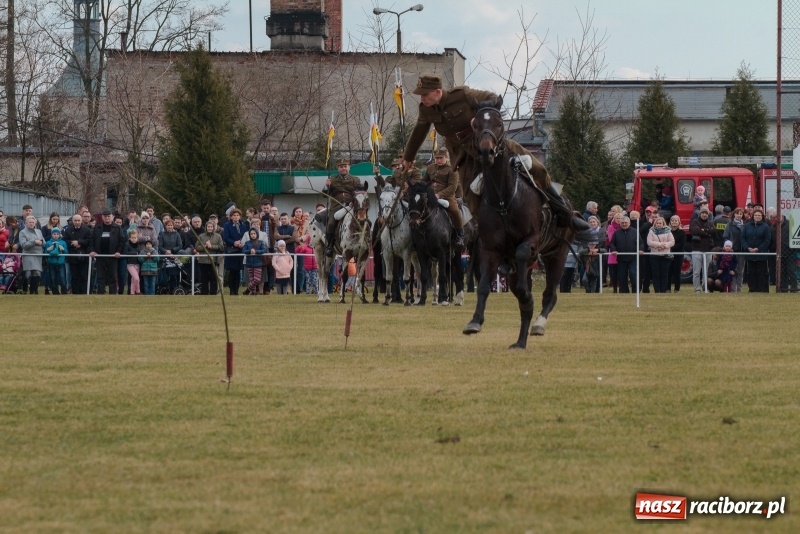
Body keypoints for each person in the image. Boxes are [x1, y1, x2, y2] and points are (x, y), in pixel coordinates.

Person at [401, 74, 589, 233]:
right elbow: (419, 131)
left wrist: (480, 115)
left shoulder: (462, 95)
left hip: (490, 144)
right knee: (470, 197)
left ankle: (566, 213)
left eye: (424, 94)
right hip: (464, 155)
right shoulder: (425, 109)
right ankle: (487, 235)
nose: (422, 98)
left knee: (537, 168)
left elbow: (492, 98)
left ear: (437, 92)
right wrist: (408, 158)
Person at [425, 147, 465, 246]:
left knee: (455, 211)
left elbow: (452, 187)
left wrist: (439, 195)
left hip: (447, 197)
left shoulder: (452, 170)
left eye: (441, 158)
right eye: (437, 158)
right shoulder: (430, 168)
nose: (438, 160)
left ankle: (460, 235)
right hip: (430, 195)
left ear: (446, 158)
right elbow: (424, 181)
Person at [323, 159, 363, 257]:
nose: (343, 168)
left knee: (363, 220)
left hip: (351, 206)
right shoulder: (332, 179)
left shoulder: (355, 180)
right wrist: (326, 186)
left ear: (349, 167)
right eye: (341, 167)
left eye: (345, 166)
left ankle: (364, 242)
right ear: (338, 168)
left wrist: (354, 201)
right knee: (331, 223)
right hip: (336, 206)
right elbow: (325, 195)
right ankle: (329, 246)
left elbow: (360, 193)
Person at [89, 209, 124, 295]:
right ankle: (100, 294)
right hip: (100, 256)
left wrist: (118, 251)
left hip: (113, 256)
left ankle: (112, 295)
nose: (107, 218)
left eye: (108, 216)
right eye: (105, 216)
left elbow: (122, 241)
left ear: (112, 217)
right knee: (100, 277)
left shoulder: (117, 228)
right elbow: (92, 241)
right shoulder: (97, 228)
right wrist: (92, 250)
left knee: (113, 277)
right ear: (102, 217)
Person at [740, 209, 771, 292]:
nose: (757, 217)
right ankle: (752, 289)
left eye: (759, 215)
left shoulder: (765, 227)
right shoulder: (747, 226)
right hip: (749, 254)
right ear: (753, 216)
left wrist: (758, 248)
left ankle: (761, 289)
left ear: (762, 217)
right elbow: (742, 238)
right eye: (756, 215)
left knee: (761, 272)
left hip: (761, 254)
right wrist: (747, 247)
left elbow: (767, 240)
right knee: (751, 272)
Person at [62, 213, 92, 294]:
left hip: (84, 257)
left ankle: (84, 292)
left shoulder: (87, 230)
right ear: (72, 221)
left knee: (83, 276)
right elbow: (64, 241)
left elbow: (89, 240)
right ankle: (75, 292)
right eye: (75, 220)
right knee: (74, 276)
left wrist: (79, 242)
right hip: (72, 257)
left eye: (78, 220)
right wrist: (73, 243)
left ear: (81, 220)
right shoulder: (68, 230)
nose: (77, 222)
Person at [690, 206, 716, 292]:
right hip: (697, 249)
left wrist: (703, 230)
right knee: (696, 271)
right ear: (700, 214)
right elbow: (695, 231)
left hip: (708, 250)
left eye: (706, 213)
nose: (704, 215)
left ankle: (705, 288)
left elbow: (714, 231)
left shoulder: (711, 223)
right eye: (703, 213)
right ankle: (696, 289)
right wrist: (707, 232)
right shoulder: (694, 222)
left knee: (706, 271)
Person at [609, 216, 638, 293]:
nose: (624, 224)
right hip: (621, 258)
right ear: (620, 223)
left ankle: (635, 291)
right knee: (622, 276)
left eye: (625, 223)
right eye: (622, 223)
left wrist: (640, 249)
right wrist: (613, 250)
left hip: (633, 258)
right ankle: (624, 291)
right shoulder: (616, 232)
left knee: (633, 274)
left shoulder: (635, 232)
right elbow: (612, 243)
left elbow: (640, 242)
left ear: (629, 223)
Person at [646, 216, 675, 293]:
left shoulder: (668, 231)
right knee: (656, 274)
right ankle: (657, 290)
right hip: (654, 255)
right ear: (655, 224)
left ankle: (663, 290)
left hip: (665, 255)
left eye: (660, 223)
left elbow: (672, 241)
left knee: (664, 274)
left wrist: (665, 245)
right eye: (657, 223)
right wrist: (659, 245)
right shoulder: (651, 231)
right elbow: (649, 242)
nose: (658, 224)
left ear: (663, 224)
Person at [194, 220, 224, 295]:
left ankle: (213, 293)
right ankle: (204, 293)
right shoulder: (201, 236)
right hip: (203, 261)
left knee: (213, 279)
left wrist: (211, 246)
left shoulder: (218, 236)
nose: (210, 228)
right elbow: (197, 247)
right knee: (204, 279)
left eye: (211, 227)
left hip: (213, 261)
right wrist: (205, 246)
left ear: (213, 227)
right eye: (208, 226)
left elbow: (221, 247)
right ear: (206, 227)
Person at [18, 215, 45, 294]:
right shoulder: (22, 232)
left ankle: (34, 291)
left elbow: (44, 242)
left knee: (37, 273)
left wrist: (41, 242)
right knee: (28, 274)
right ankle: (25, 290)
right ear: (26, 223)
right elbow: (24, 245)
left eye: (33, 222)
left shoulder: (39, 231)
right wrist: (34, 241)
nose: (31, 224)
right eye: (30, 222)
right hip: (28, 255)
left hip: (38, 255)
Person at [222, 208, 245, 295]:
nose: (236, 217)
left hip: (240, 250)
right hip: (231, 250)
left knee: (238, 271)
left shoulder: (243, 225)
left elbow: (245, 235)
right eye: (234, 215)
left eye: (237, 215)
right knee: (232, 271)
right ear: (231, 217)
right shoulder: (227, 225)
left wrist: (241, 242)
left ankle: (236, 290)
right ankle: (232, 291)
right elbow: (226, 237)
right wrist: (234, 242)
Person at [723, 208, 746, 292]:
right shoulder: (729, 225)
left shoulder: (745, 225)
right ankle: (733, 289)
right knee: (733, 270)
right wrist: (728, 246)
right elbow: (725, 236)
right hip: (733, 251)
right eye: (737, 213)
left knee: (740, 271)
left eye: (741, 214)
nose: (739, 215)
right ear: (734, 214)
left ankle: (739, 289)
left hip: (742, 251)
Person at [242, 227, 267, 295]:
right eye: (251, 234)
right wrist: (249, 251)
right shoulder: (247, 243)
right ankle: (253, 292)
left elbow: (264, 250)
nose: (253, 235)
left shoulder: (261, 242)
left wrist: (256, 251)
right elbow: (243, 250)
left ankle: (247, 290)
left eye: (254, 233)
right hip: (249, 263)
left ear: (257, 234)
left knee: (257, 279)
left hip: (258, 263)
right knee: (251, 279)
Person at [44, 226, 68, 295]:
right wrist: (49, 249)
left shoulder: (63, 242)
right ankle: (55, 292)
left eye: (57, 234)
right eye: (54, 234)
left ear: (59, 234)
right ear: (52, 234)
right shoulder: (48, 243)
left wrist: (63, 249)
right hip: (52, 263)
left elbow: (66, 252)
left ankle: (64, 291)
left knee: (62, 278)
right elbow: (45, 252)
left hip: (61, 263)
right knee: (53, 278)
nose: (56, 235)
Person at [668, 215, 687, 293]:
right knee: (668, 272)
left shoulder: (682, 232)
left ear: (679, 222)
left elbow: (682, 244)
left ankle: (677, 289)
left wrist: (670, 246)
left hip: (678, 255)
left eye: (676, 220)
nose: (674, 222)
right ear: (670, 222)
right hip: (669, 255)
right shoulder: (668, 232)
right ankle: (667, 289)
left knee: (677, 272)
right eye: (672, 220)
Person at [122, 228, 141, 295]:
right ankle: (138, 291)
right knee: (136, 278)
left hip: (137, 264)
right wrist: (134, 254)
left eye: (135, 238)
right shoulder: (127, 244)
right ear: (129, 238)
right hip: (130, 264)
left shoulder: (138, 246)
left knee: (133, 280)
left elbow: (139, 254)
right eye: (132, 238)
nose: (134, 239)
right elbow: (125, 253)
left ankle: (132, 293)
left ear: (137, 238)